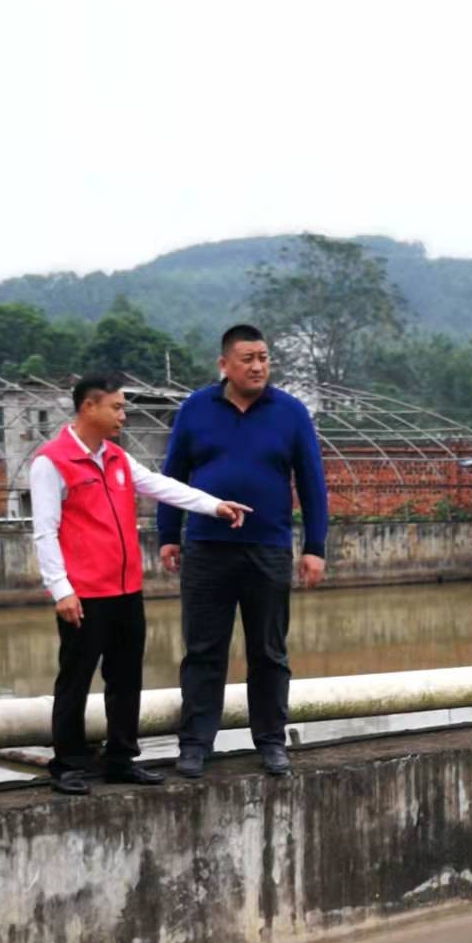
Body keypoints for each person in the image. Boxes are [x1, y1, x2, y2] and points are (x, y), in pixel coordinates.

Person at [31, 373, 249, 796]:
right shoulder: (51, 462)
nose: (123, 416)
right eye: (116, 407)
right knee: (75, 677)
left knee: (126, 677)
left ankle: (121, 758)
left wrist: (213, 506)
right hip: (85, 594)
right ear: (88, 407)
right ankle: (69, 763)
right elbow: (45, 531)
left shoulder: (116, 458)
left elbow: (161, 486)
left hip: (126, 590)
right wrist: (61, 590)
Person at [155, 326, 328, 779]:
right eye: (248, 358)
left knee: (269, 652)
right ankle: (195, 744)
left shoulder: (290, 413)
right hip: (207, 549)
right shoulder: (195, 409)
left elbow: (311, 483)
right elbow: (172, 475)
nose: (257, 366)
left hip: (268, 549)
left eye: (264, 358)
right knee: (203, 650)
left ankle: (271, 741)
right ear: (224, 364)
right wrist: (168, 535)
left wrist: (314, 547)